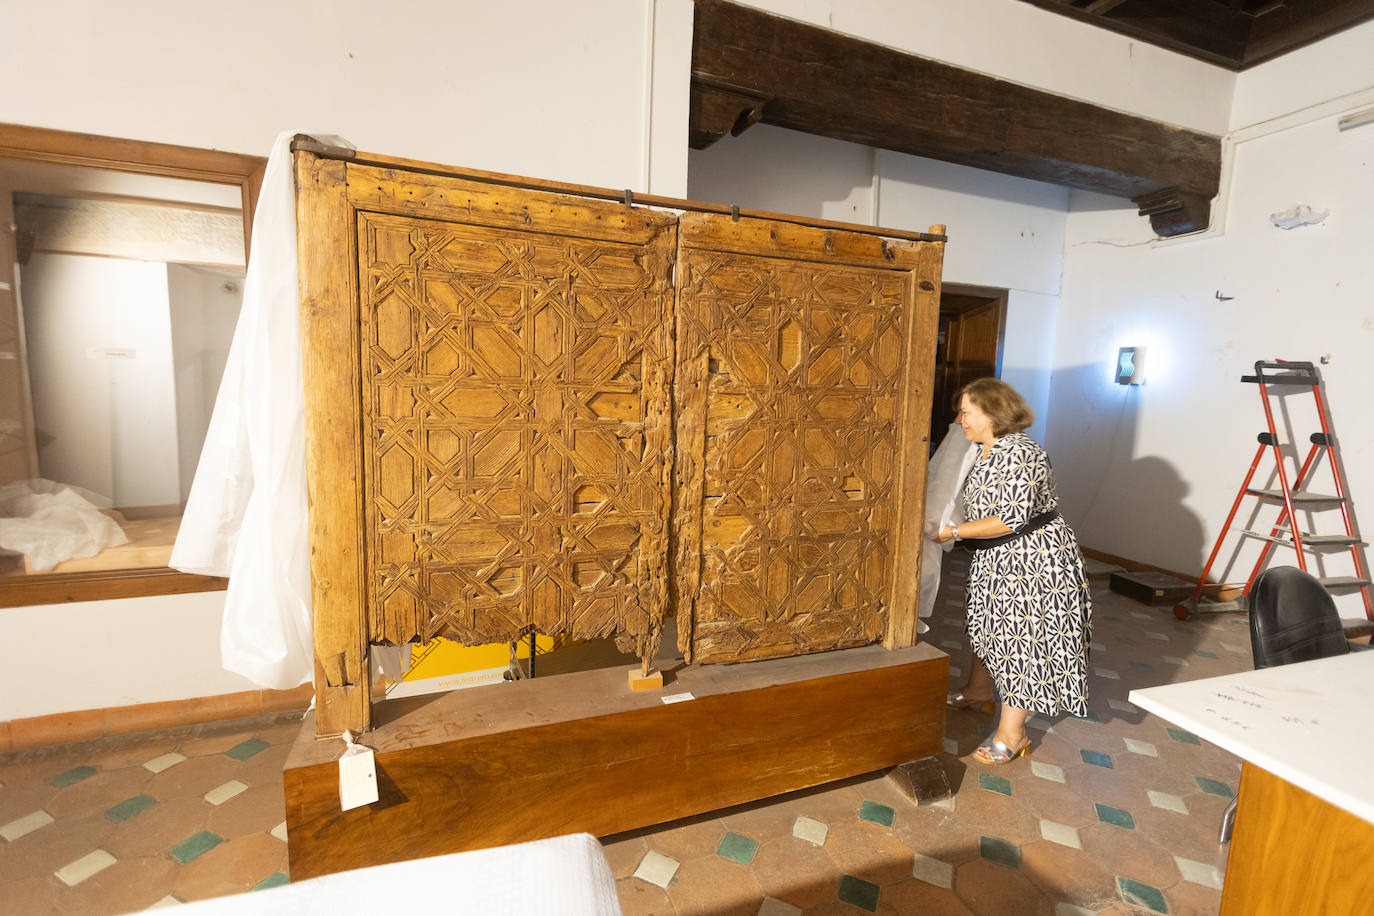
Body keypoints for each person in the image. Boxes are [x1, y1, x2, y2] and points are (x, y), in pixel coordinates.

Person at [932, 378, 1092, 765]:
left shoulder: (1020, 452)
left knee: (1021, 642)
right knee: (987, 628)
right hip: (997, 559)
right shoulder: (984, 449)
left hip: (1033, 562)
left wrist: (950, 533)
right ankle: (978, 692)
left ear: (990, 412)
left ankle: (1012, 733)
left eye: (966, 411)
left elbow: (1010, 518)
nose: (959, 419)